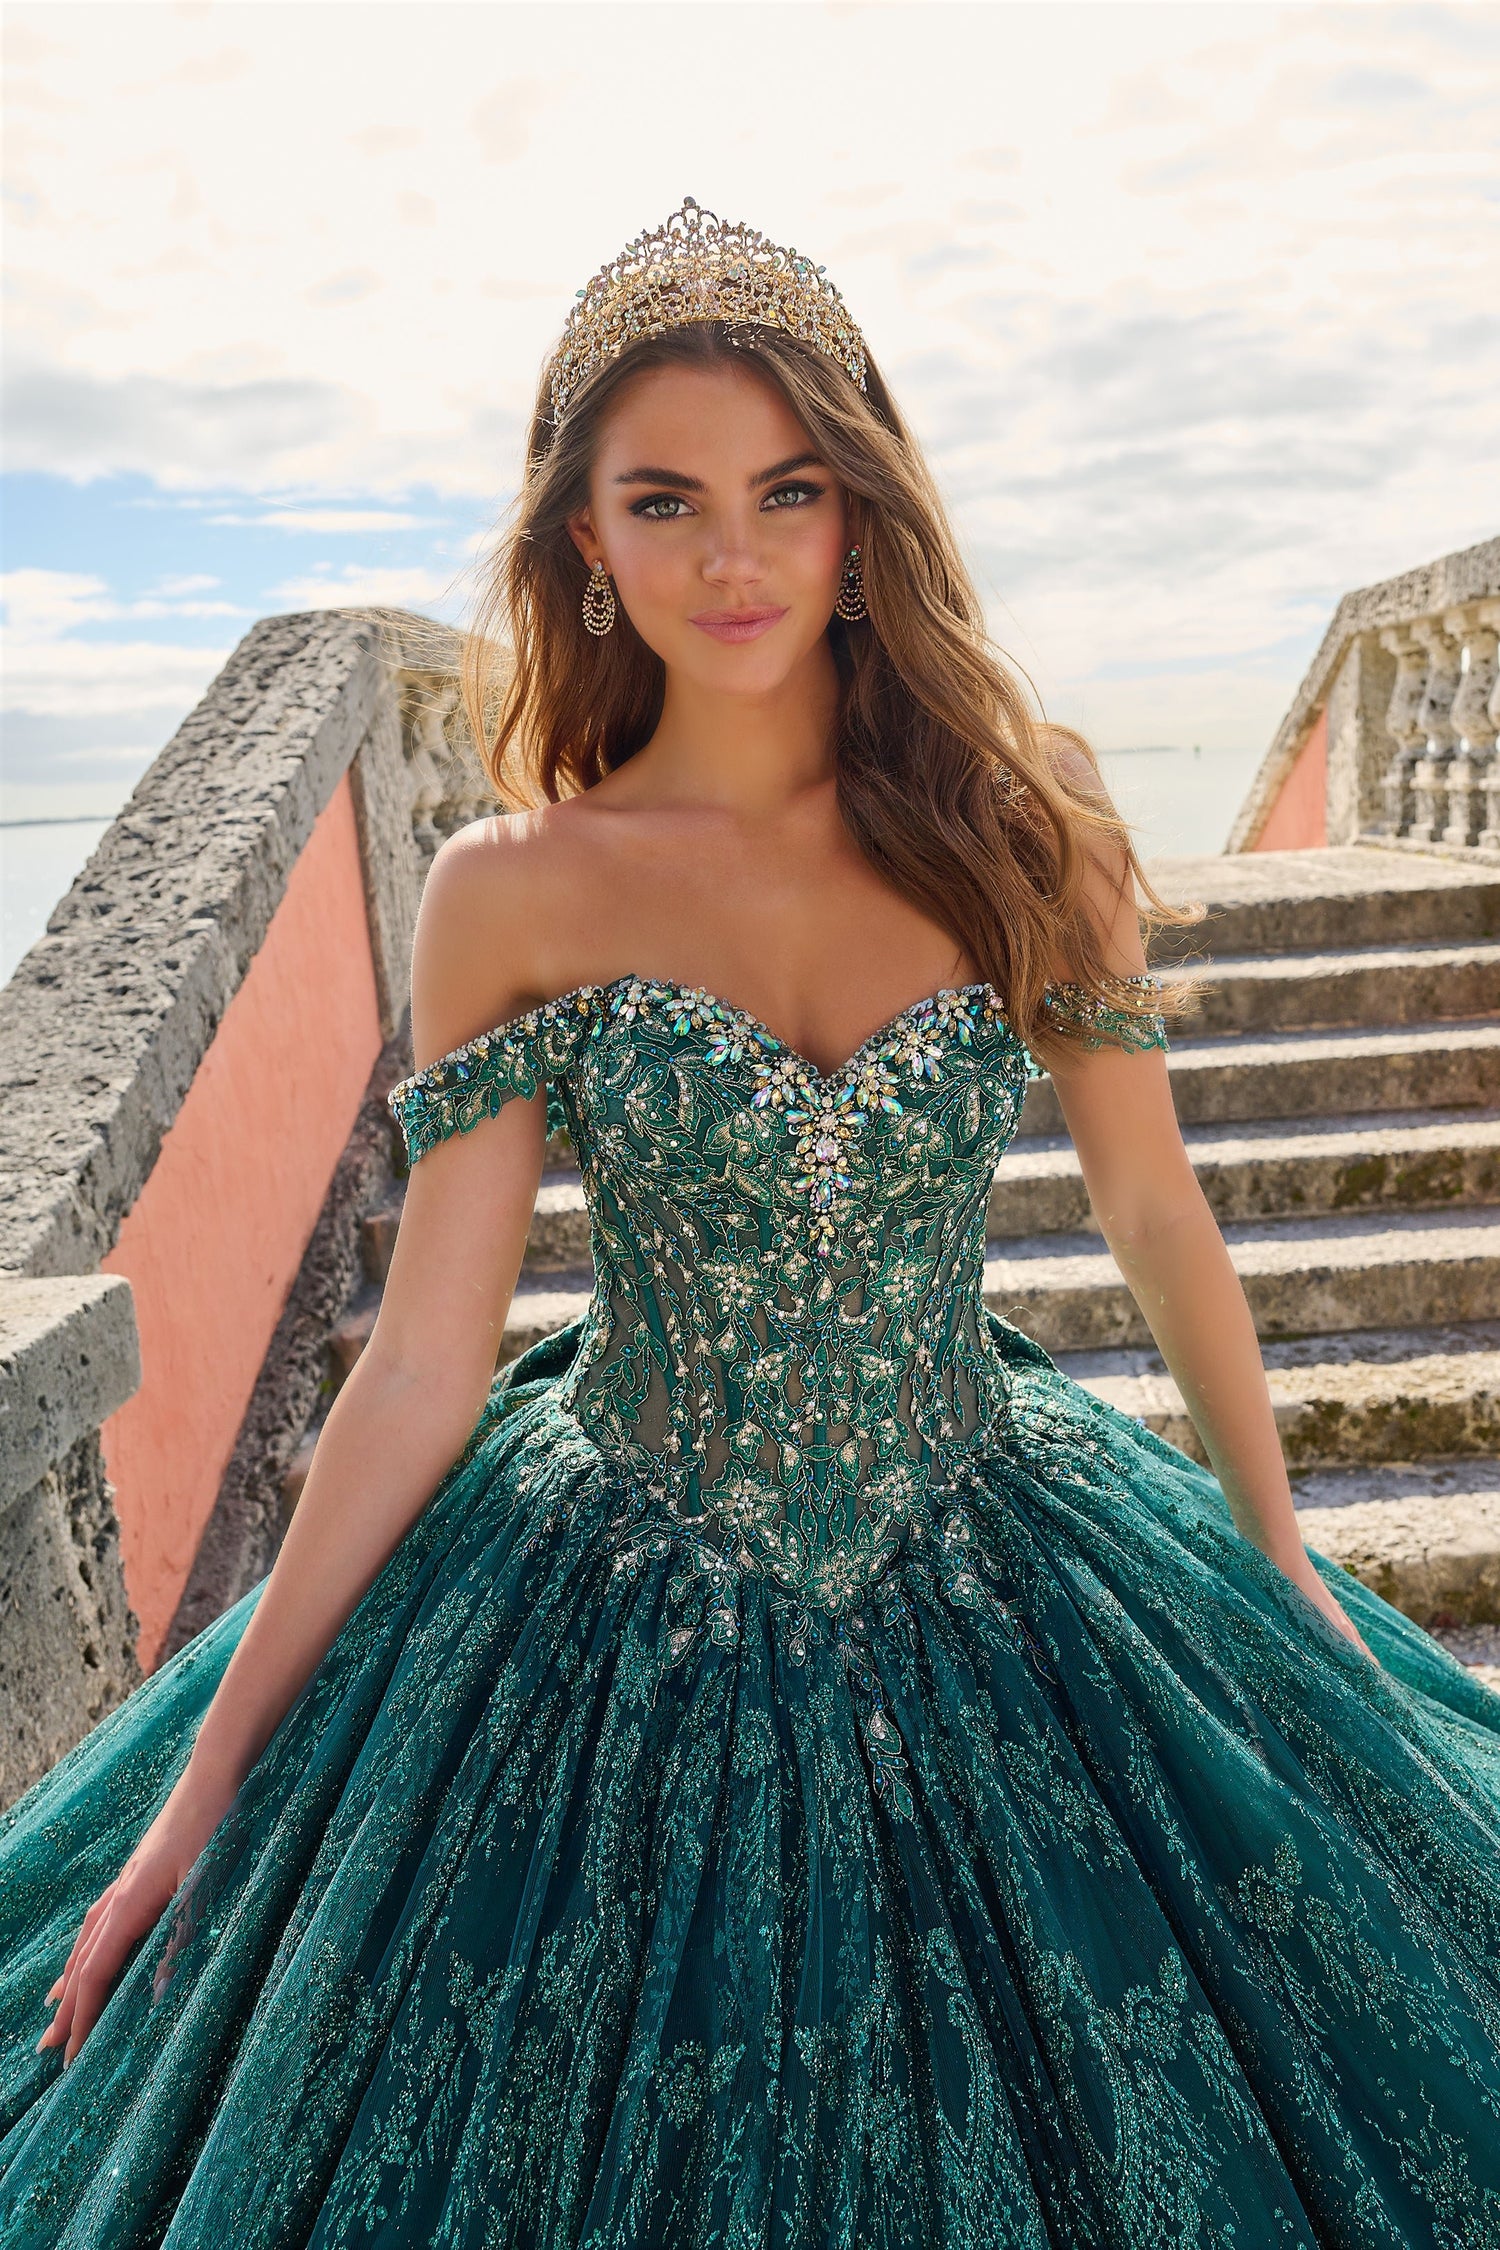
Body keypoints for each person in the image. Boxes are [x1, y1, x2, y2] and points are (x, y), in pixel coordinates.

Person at [2, 193, 1497, 2250]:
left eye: (789, 492)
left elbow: (1154, 1217)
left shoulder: (1023, 819)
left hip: (988, 1528)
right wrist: (206, 1786)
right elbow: (429, 1353)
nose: (734, 555)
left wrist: (1284, 1572)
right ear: (582, 548)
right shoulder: (514, 890)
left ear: (861, 520)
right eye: (667, 500)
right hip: (605, 1568)